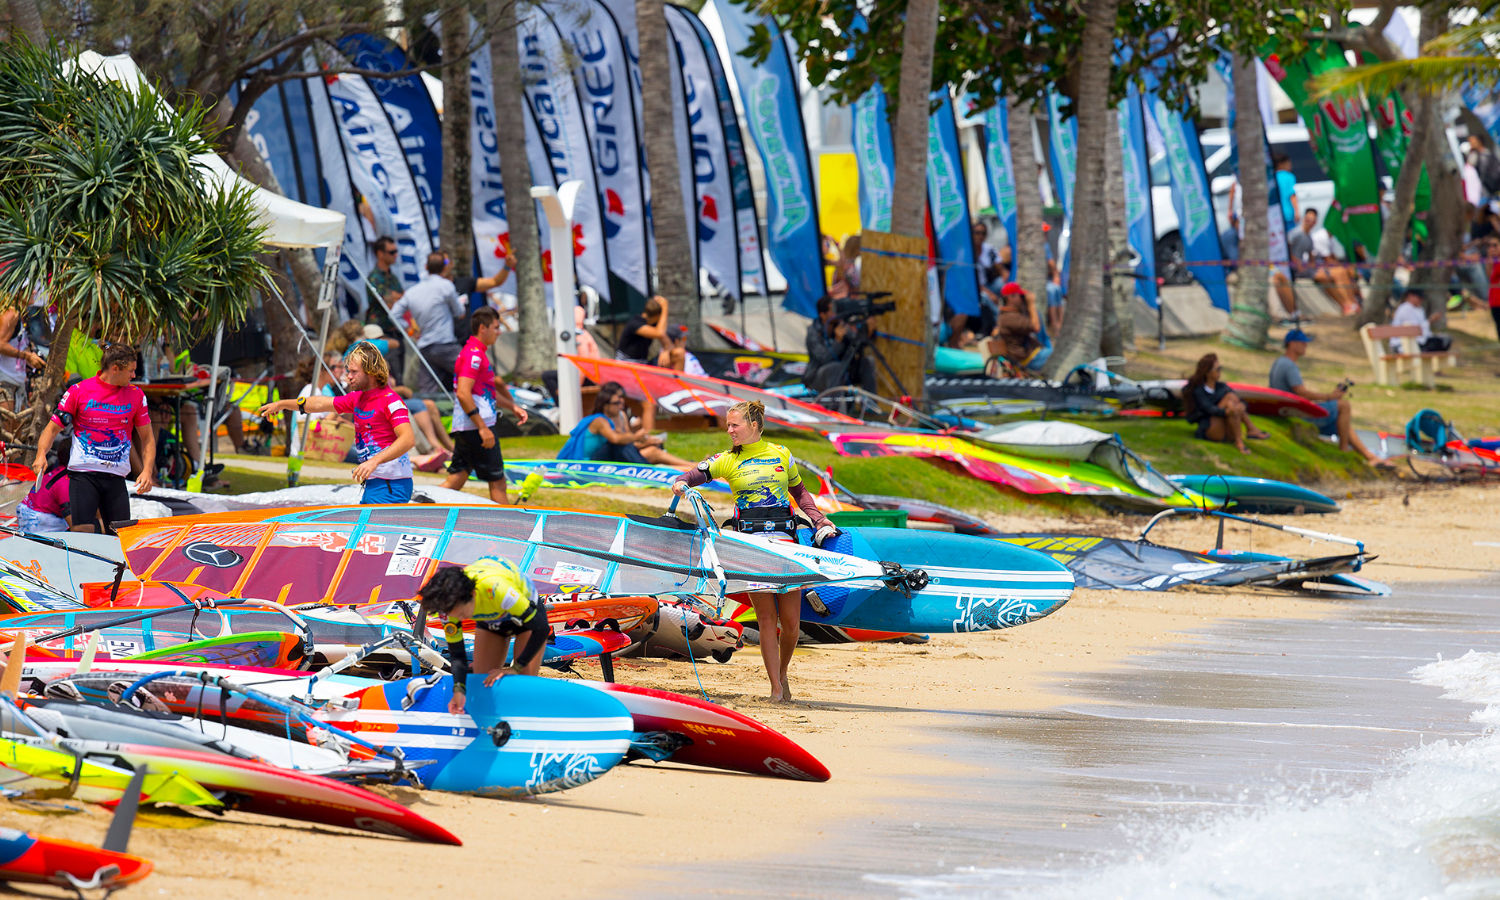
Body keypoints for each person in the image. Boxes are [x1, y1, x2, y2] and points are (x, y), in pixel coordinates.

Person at [672, 400, 839, 702]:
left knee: (790, 624)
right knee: (765, 620)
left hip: (786, 547)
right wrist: (682, 482)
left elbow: (799, 492)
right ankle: (775, 687)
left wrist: (818, 519)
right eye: (728, 425)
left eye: (735, 425)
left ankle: (783, 673)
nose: (730, 430)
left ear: (754, 425)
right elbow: (694, 474)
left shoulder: (780, 454)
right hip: (750, 547)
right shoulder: (727, 460)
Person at [259, 342, 416, 503]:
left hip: (392, 484)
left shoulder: (390, 401)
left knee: (371, 528)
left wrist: (374, 461)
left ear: (371, 373)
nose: (348, 376)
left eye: (354, 372)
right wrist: (282, 404)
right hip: (376, 483)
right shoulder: (358, 398)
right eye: (348, 371)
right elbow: (319, 403)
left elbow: (408, 439)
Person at [31, 344, 155, 535]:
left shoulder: (136, 395)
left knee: (121, 536)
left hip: (116, 477)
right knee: (83, 532)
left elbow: (147, 438)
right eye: (130, 371)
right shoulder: (79, 391)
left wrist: (147, 471)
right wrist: (41, 455)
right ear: (115, 369)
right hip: (84, 474)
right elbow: (51, 429)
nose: (133, 376)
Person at [417, 557, 548, 715]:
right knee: (482, 682)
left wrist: (516, 667)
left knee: (522, 683)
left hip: (526, 620)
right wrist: (459, 689)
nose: (459, 620)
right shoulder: (449, 607)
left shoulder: (496, 588)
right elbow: (457, 654)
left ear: (472, 595)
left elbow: (541, 629)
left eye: (463, 614)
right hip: (491, 621)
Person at [442, 308, 529, 504]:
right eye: (496, 328)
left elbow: (484, 391)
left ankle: (419, 508)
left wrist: (512, 407)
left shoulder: (476, 352)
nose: (499, 332)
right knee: (498, 482)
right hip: (476, 427)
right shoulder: (473, 355)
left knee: (457, 479)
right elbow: (463, 393)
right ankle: (510, 526)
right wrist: (482, 427)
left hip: (470, 426)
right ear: (483, 328)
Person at [1269, 330, 1379, 464]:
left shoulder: (1280, 362)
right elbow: (1302, 393)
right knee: (1344, 406)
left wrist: (1330, 397)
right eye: (1303, 343)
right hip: (1294, 413)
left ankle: (1369, 456)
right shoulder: (1289, 365)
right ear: (1292, 344)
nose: (1306, 346)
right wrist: (1330, 397)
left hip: (1288, 410)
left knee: (1342, 422)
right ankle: (1344, 449)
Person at [558, 382, 690, 468]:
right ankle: (653, 468)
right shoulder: (599, 421)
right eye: (617, 402)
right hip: (589, 462)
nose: (621, 403)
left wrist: (645, 442)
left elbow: (628, 442)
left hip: (612, 457)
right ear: (605, 404)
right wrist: (636, 437)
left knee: (653, 451)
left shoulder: (621, 416)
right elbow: (616, 439)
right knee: (617, 445)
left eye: (622, 399)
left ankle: (692, 466)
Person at [1183, 354, 1269, 454]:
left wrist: (1242, 406)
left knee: (1232, 401)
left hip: (1226, 429)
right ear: (1207, 372)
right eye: (1217, 369)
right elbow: (1209, 408)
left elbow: (1240, 400)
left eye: (1220, 368)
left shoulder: (1221, 387)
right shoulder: (1199, 390)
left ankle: (1245, 435)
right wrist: (1226, 411)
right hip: (1210, 429)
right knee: (1230, 399)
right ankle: (1245, 435)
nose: (1220, 371)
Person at [1287, 208, 1361, 315]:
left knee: (1339, 273)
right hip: (1297, 269)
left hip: (1308, 268)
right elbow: (1289, 250)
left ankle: (1350, 304)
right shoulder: (1297, 234)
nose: (1310, 223)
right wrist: (1299, 265)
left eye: (1312, 220)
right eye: (1308, 219)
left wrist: (1312, 265)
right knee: (1330, 275)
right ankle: (1347, 304)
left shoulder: (1309, 237)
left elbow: (1311, 254)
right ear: (1304, 219)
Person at [17, 436, 70, 533]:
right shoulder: (65, 482)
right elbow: (77, 527)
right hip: (39, 525)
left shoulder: (56, 473)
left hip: (27, 518)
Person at [0, 307, 43, 411]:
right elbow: (0, 344)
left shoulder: (22, 313)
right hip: (5, 380)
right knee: (7, 425)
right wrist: (26, 356)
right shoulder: (11, 313)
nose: (34, 291)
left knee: (17, 426)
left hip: (18, 380)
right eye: (29, 289)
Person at [987, 283, 1041, 366]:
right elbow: (1036, 327)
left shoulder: (1010, 314)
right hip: (1027, 359)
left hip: (1032, 354)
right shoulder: (1009, 317)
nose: (1022, 299)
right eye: (1020, 296)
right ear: (1011, 297)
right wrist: (1031, 304)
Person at [1390, 288, 1451, 353]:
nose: (1421, 300)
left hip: (1417, 341)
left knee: (1445, 340)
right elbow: (1415, 329)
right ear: (1410, 296)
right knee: (1438, 343)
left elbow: (1423, 331)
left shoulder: (1420, 309)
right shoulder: (1405, 309)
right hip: (1402, 344)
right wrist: (1431, 320)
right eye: (1419, 298)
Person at [616, 295, 668, 363]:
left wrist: (666, 350)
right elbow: (659, 333)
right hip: (627, 363)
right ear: (658, 316)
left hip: (643, 362)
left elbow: (666, 341)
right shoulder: (635, 323)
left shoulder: (653, 324)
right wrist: (665, 307)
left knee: (678, 354)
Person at [1273, 151, 1299, 232]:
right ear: (1281, 164)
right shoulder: (1289, 176)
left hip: (1276, 215)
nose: (1290, 165)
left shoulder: (1272, 177)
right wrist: (1297, 211)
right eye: (1288, 163)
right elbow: (1292, 195)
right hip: (1288, 214)